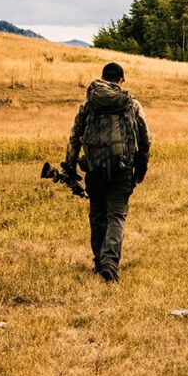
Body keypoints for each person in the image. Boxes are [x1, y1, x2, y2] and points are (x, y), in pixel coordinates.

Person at [63, 62, 150, 282]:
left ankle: (99, 261)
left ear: (102, 77)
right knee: (116, 216)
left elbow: (74, 137)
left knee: (98, 214)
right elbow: (144, 139)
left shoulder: (87, 104)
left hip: (94, 168)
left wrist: (70, 167)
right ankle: (110, 263)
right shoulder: (132, 104)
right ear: (122, 80)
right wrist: (141, 168)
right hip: (123, 168)